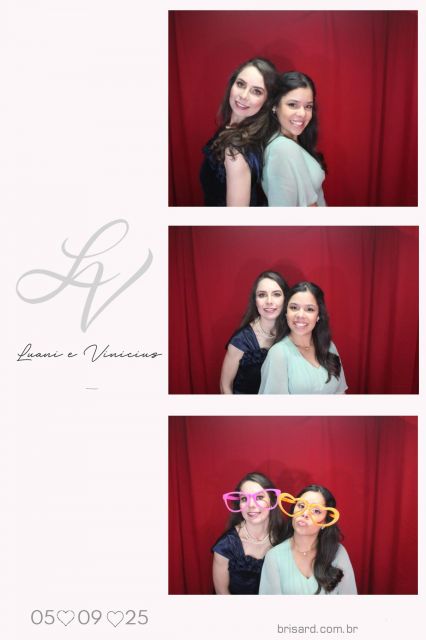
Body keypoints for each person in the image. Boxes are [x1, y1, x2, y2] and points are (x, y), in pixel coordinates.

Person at [200, 58, 279, 206]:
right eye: (241, 84)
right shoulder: (232, 129)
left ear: (267, 101)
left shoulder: (235, 152)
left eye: (256, 91)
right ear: (232, 84)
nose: (243, 95)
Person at [259, 484, 357, 594]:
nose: (305, 514)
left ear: (325, 522)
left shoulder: (338, 553)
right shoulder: (274, 556)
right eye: (301, 506)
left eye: (316, 511)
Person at [259, 281, 347, 394]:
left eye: (309, 309)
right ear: (286, 313)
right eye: (294, 307)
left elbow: (340, 393)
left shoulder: (329, 346)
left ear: (318, 315)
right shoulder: (278, 354)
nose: (300, 315)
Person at [212, 471, 285, 595]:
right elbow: (222, 593)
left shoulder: (285, 537)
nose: (251, 505)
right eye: (244, 499)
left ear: (272, 501)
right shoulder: (226, 545)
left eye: (259, 497)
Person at [262, 71, 327, 206]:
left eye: (308, 106)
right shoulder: (282, 148)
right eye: (292, 105)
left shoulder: (294, 141)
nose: (302, 113)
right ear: (275, 106)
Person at [220, 271, 289, 394]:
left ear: (285, 299)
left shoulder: (293, 333)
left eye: (276, 294)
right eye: (262, 295)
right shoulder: (241, 340)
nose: (269, 301)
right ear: (255, 300)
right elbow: (225, 386)